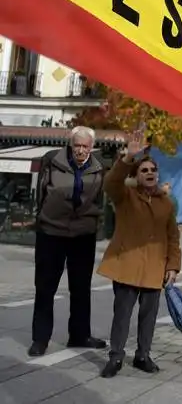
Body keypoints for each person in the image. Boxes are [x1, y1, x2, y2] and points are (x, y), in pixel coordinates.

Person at [97, 131, 182, 377]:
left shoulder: (166, 203)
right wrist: (128, 158)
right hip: (127, 266)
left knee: (149, 316)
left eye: (152, 170)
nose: (149, 174)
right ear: (136, 175)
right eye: (143, 170)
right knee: (122, 314)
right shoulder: (125, 196)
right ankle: (116, 357)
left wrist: (173, 266)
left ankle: (143, 355)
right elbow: (110, 183)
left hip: (155, 268)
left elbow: (173, 237)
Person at [29, 126, 107, 357]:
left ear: (91, 147)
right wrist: (42, 218)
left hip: (83, 234)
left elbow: (101, 197)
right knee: (45, 288)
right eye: (77, 145)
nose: (81, 151)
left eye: (85, 146)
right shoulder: (52, 161)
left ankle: (79, 335)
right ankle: (40, 339)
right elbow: (41, 192)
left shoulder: (98, 167)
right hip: (51, 232)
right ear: (70, 145)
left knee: (81, 288)